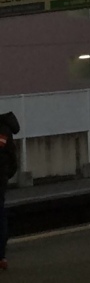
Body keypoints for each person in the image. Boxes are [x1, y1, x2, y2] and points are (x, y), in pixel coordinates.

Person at [1, 109, 20, 271]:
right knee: (0, 216)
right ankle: (1, 256)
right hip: (0, 180)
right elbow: (12, 158)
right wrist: (6, 175)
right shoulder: (5, 129)